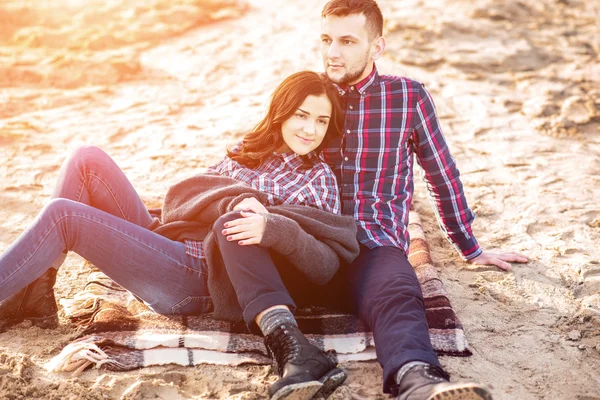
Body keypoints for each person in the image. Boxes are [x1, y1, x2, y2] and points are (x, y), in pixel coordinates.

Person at [0, 71, 359, 400]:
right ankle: (36, 295)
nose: (310, 129)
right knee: (86, 159)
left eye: (321, 120)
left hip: (199, 276)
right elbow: (179, 199)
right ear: (281, 112)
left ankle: (20, 290)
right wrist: (233, 197)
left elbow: (320, 260)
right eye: (301, 115)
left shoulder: (318, 179)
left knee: (63, 215)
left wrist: (272, 224)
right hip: (170, 240)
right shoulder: (247, 154)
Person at [317, 1, 529, 399]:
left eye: (347, 41)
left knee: (399, 291)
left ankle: (418, 381)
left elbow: (441, 172)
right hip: (312, 241)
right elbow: (258, 154)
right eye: (326, 39)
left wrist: (470, 246)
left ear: (376, 47)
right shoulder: (308, 95)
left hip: (374, 240)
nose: (333, 52)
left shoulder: (407, 97)